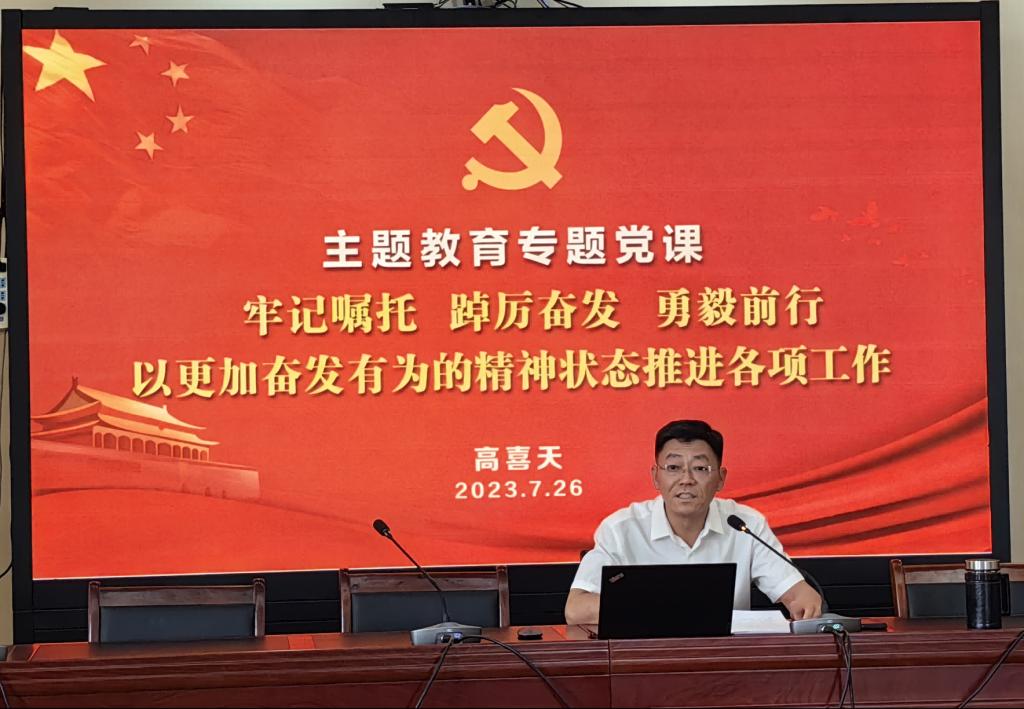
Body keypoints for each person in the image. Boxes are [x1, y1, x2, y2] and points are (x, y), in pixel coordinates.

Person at [564, 419, 822, 625]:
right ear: (655, 477)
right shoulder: (621, 529)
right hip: (644, 659)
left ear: (720, 478)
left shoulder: (745, 525)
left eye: (700, 469)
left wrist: (805, 603)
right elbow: (576, 609)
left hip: (724, 660)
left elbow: (798, 595)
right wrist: (670, 609)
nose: (686, 479)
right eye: (673, 468)